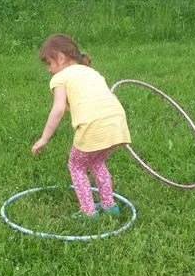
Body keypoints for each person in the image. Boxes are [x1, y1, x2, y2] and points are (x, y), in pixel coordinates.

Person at [31, 34, 131, 219]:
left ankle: (88, 212)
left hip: (93, 126)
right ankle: (109, 206)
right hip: (117, 123)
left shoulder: (60, 77)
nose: (49, 69)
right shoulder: (92, 72)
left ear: (61, 58)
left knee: (76, 166)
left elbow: (58, 109)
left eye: (49, 63)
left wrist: (44, 138)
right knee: (97, 162)